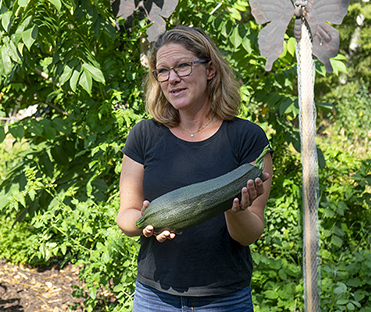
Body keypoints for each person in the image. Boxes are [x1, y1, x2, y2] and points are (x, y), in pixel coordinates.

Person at [116, 25, 273, 312]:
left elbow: (250, 234)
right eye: (162, 71)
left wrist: (234, 208)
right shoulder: (143, 135)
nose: (172, 79)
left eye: (183, 66)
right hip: (155, 298)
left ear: (210, 69)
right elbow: (126, 215)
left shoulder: (248, 138)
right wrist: (144, 224)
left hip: (225, 299)